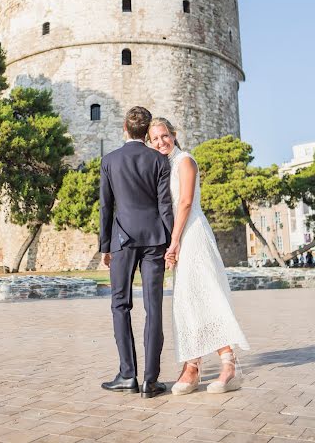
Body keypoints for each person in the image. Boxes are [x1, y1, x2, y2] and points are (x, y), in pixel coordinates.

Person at [148, 118, 249, 395]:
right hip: (179, 238)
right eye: (155, 139)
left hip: (192, 234)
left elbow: (186, 202)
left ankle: (228, 364)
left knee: (206, 296)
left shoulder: (185, 161)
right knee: (187, 301)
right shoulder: (164, 166)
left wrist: (175, 241)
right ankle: (192, 365)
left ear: (174, 134)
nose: (160, 142)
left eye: (165, 136)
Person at [99, 107, 174, 398]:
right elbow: (164, 205)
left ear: (125, 129)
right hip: (155, 239)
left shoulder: (109, 161)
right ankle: (150, 381)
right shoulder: (159, 160)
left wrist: (105, 246)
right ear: (146, 133)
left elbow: (107, 207)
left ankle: (127, 375)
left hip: (122, 240)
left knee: (121, 305)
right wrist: (170, 243)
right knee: (153, 307)